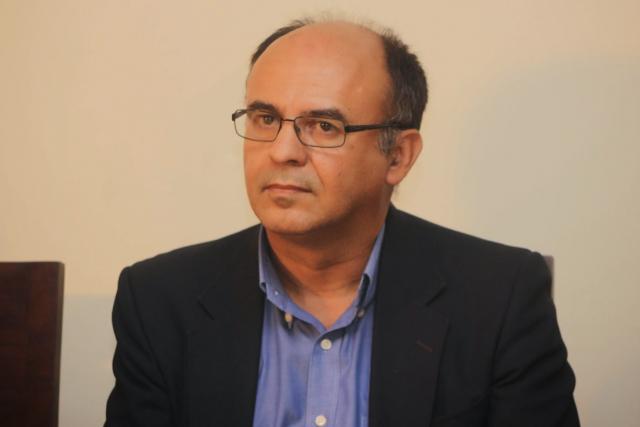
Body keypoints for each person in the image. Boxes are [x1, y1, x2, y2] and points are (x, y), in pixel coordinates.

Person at [104, 18, 579, 427]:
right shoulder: (160, 301)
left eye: (324, 126)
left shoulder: (499, 298)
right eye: (265, 118)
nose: (282, 151)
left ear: (398, 155)